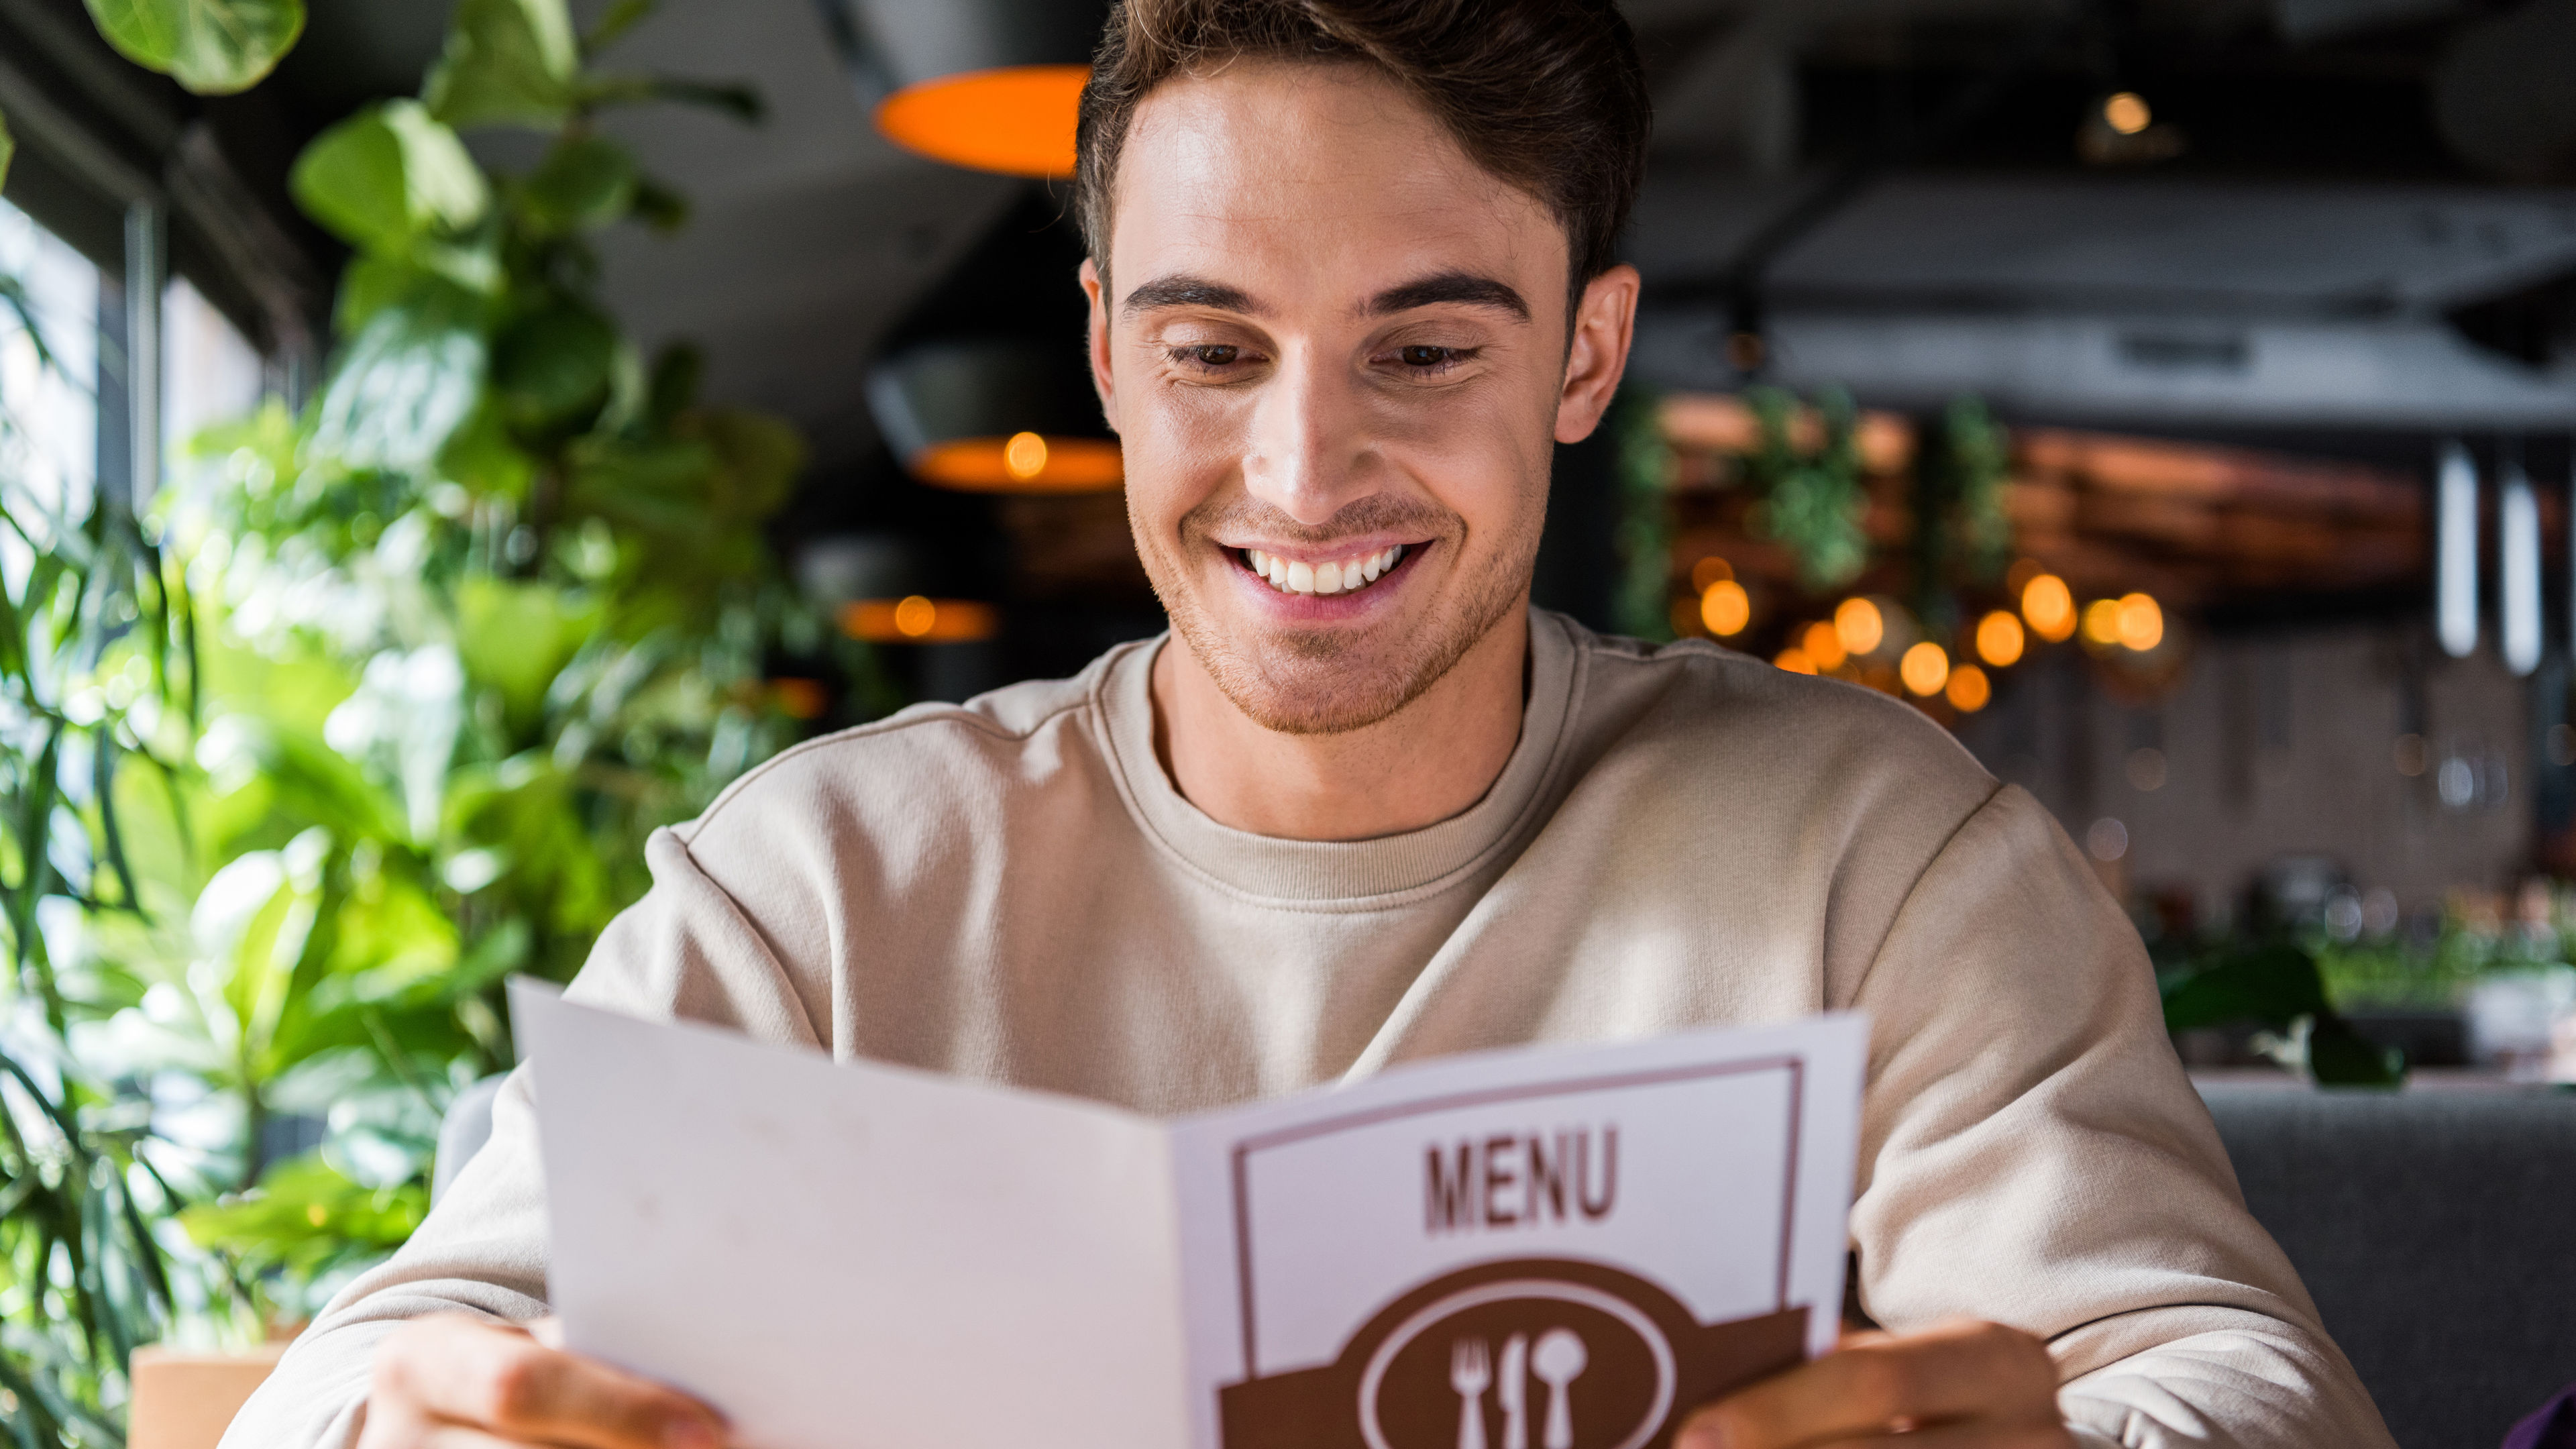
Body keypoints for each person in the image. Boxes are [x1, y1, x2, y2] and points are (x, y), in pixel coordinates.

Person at [224, 1, 2396, 1446]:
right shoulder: (815, 891)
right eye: (1214, 352)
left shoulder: (1872, 856)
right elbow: (345, 1383)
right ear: (1099, 347)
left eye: (1425, 354)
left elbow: (2235, 1376)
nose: (1299, 476)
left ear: (1585, 354)